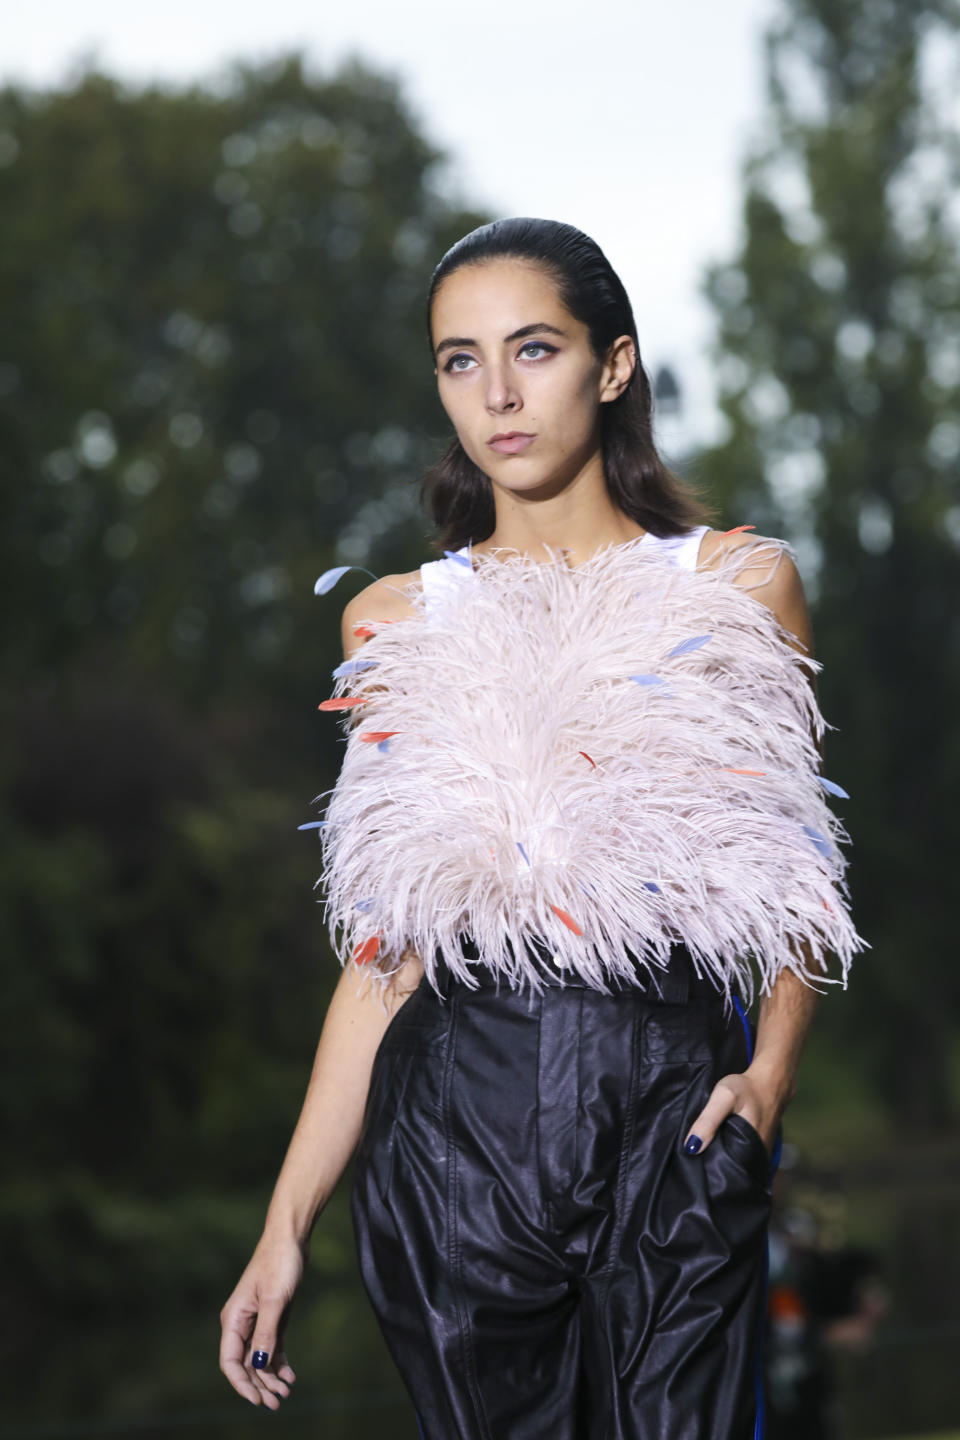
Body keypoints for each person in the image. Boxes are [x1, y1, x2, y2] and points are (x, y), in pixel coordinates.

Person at [219, 217, 866, 1439]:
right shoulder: (394, 622)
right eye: (461, 361)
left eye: (534, 350)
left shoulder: (734, 585)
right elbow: (383, 963)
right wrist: (282, 1228)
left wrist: (770, 1079)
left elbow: (797, 876)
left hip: (671, 1107)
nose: (498, 394)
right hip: (455, 1132)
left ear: (613, 364)